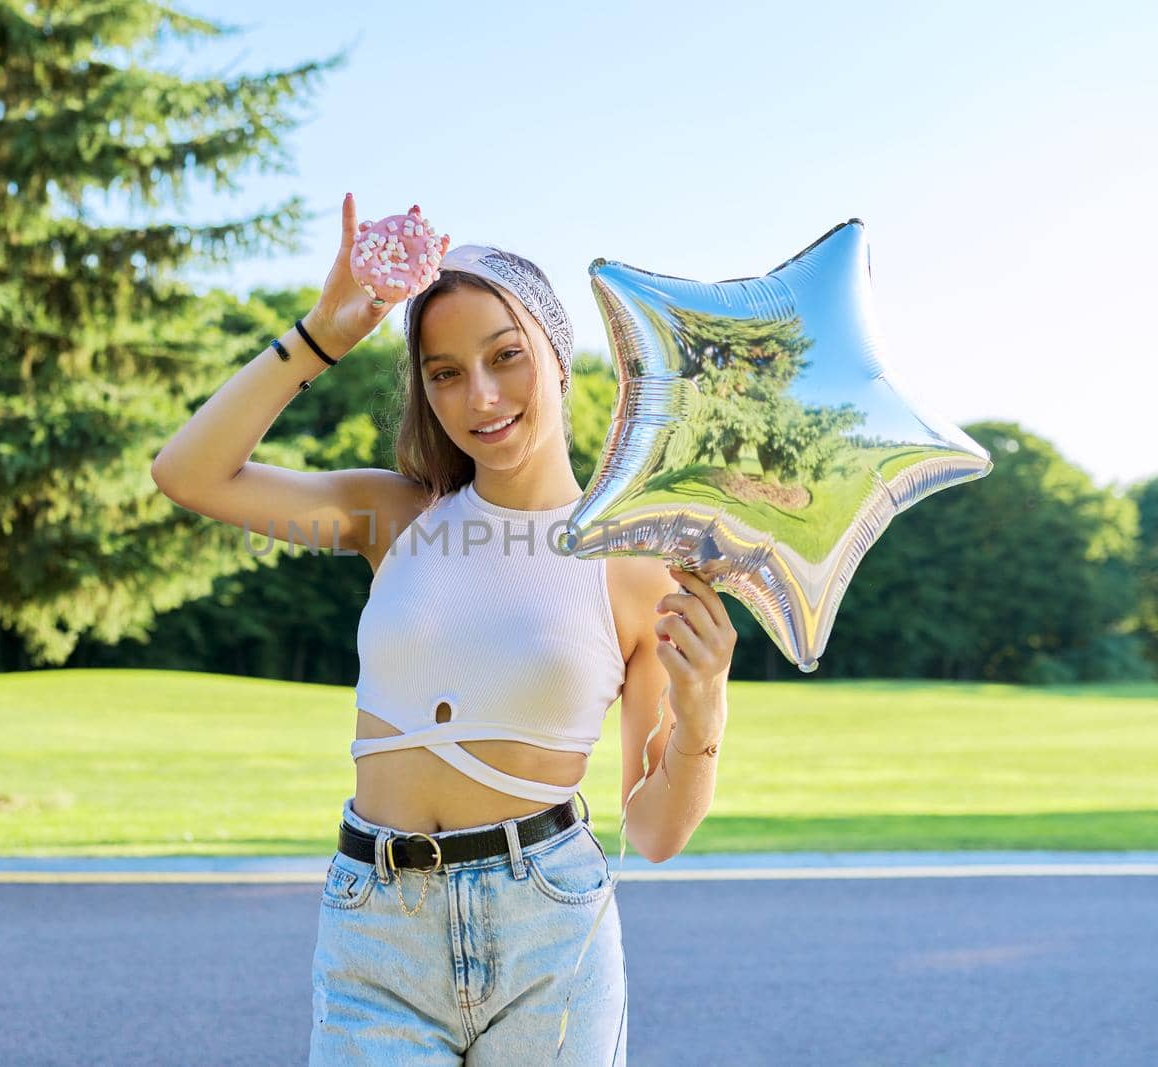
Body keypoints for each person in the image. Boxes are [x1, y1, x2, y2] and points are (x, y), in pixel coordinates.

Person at [150, 193, 737, 1065]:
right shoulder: (393, 517)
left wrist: (705, 713)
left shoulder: (634, 567)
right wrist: (320, 335)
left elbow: (653, 833)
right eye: (445, 371)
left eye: (507, 357)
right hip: (378, 930)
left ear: (560, 355)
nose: (482, 396)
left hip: (552, 927)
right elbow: (189, 472)